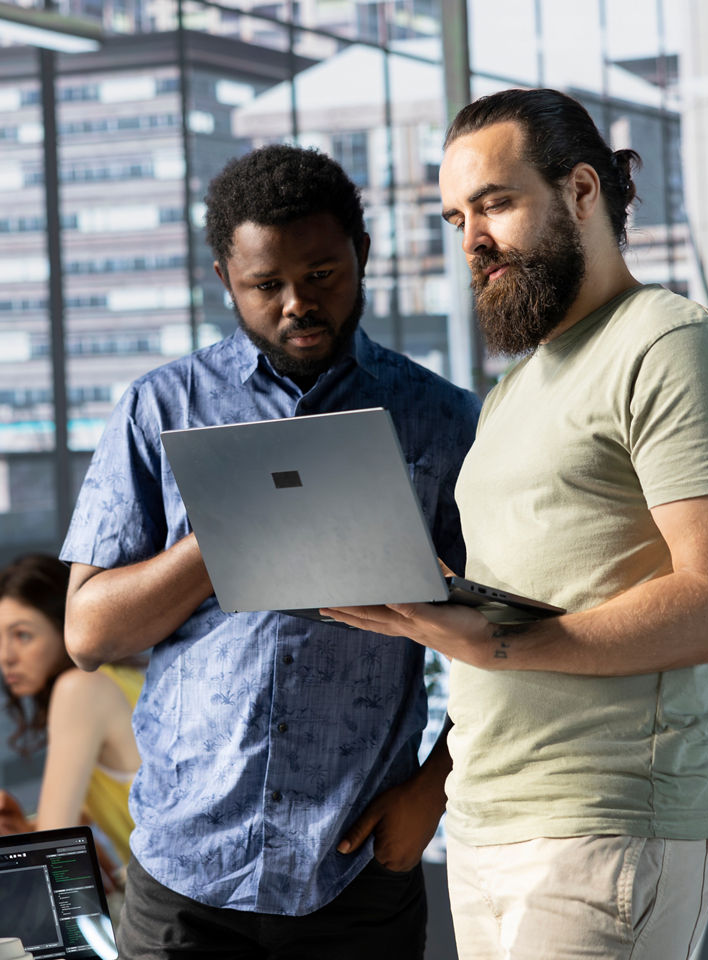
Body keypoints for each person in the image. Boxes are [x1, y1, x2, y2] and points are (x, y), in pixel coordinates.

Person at [323, 88, 708, 960]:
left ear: (581, 192)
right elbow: (536, 594)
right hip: (492, 821)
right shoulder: (514, 390)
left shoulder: (672, 348)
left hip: (609, 824)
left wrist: (484, 643)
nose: (472, 240)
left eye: (496, 203)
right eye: (456, 215)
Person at [60, 144, 481, 959]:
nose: (297, 303)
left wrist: (434, 787)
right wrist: (234, 522)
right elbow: (88, 635)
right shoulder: (158, 409)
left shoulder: (445, 421)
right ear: (226, 278)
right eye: (266, 285)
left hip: (357, 866)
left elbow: (508, 638)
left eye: (322, 274)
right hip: (186, 870)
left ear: (362, 255)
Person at [0, 553, 143, 891]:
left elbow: (53, 844)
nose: (5, 656)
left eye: (22, 635)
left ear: (65, 627)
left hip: (185, 911)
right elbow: (74, 826)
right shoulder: (116, 677)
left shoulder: (79, 689)